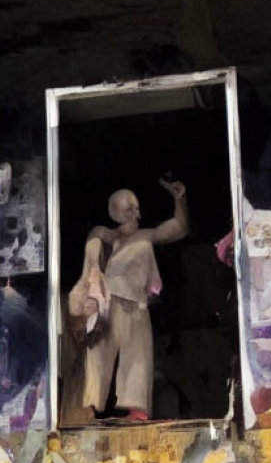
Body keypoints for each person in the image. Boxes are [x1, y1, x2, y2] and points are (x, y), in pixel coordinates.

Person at [67, 178, 188, 420]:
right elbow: (93, 254)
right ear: (115, 212)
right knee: (98, 356)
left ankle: (136, 410)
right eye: (126, 208)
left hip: (137, 306)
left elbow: (178, 228)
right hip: (109, 304)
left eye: (134, 207)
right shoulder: (106, 236)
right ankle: (90, 408)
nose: (133, 212)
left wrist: (179, 200)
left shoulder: (146, 236)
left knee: (138, 359)